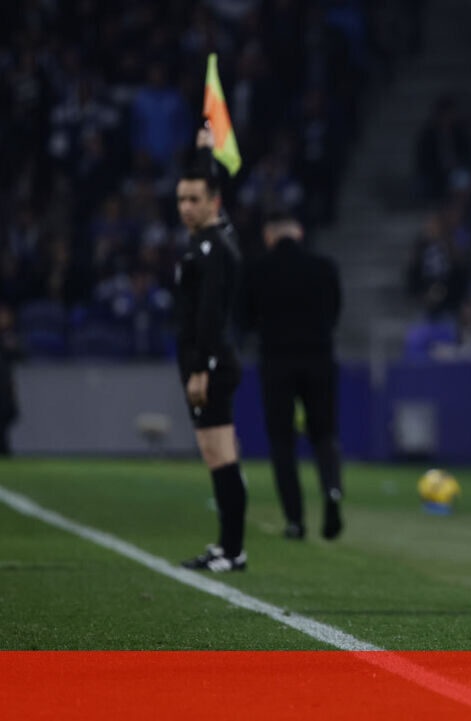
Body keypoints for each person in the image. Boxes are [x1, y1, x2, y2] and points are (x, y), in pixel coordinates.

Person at [241, 212, 344, 540]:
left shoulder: (257, 269)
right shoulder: (323, 267)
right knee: (324, 433)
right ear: (299, 234)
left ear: (269, 237)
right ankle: (332, 490)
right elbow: (335, 311)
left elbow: (243, 319)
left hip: (277, 361)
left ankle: (295, 520)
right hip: (319, 358)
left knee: (282, 441)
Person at [174, 128, 248, 572]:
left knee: (221, 454)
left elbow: (210, 314)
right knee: (216, 454)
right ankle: (227, 546)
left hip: (211, 363)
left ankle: (233, 549)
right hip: (203, 360)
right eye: (181, 199)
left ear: (213, 201)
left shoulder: (214, 246)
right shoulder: (205, 240)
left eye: (194, 200)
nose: (186, 207)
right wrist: (203, 150)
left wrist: (200, 369)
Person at [0, 304, 21, 456]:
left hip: (4, 388)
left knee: (4, 426)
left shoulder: (11, 337)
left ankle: (5, 451)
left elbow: (21, 355)